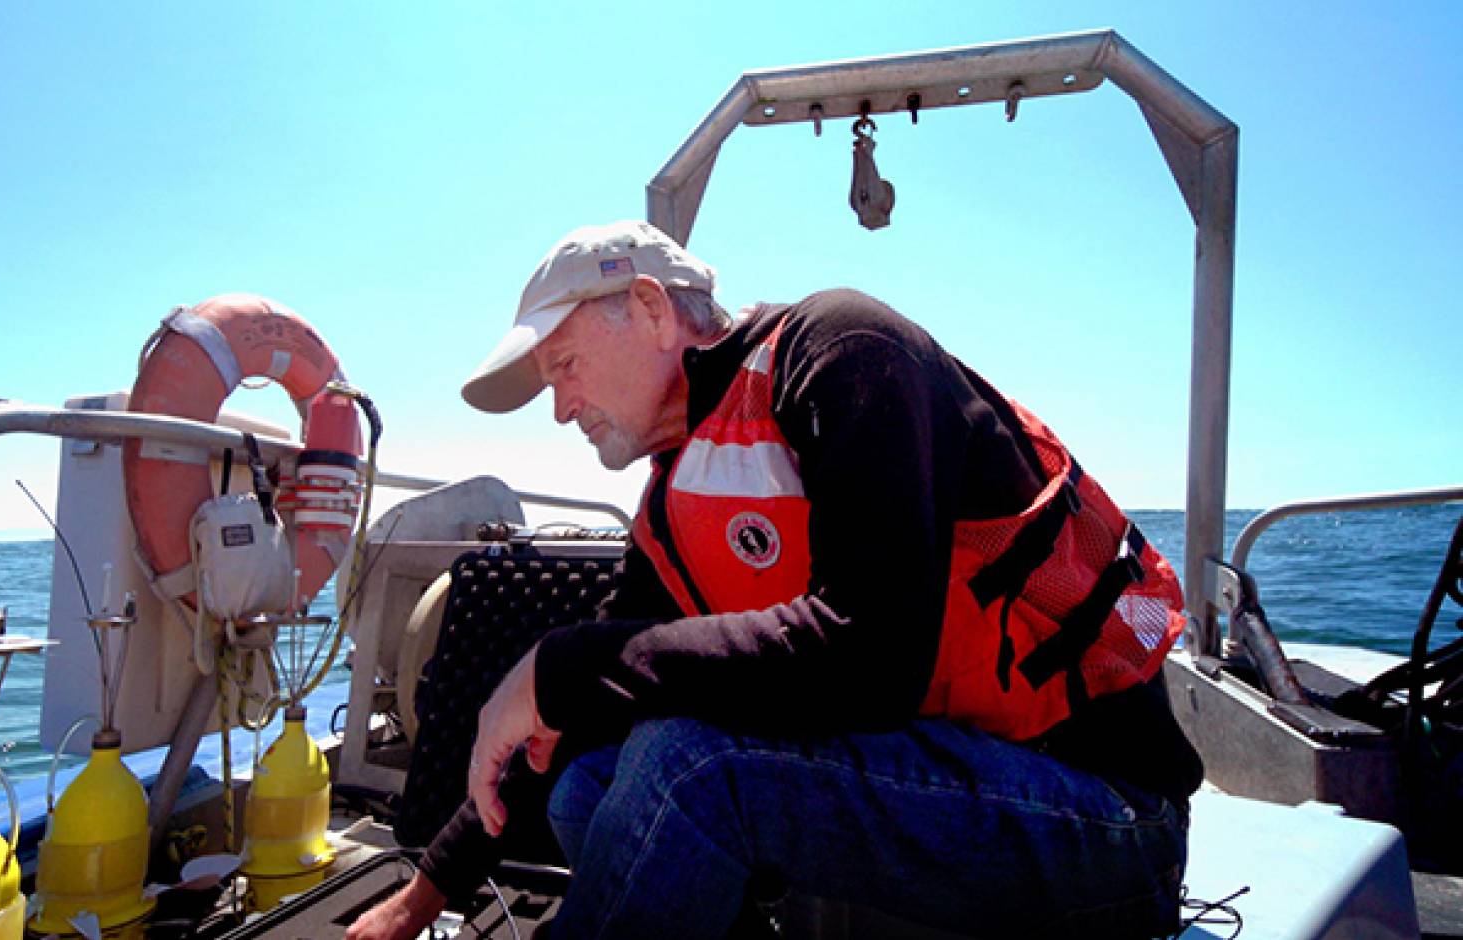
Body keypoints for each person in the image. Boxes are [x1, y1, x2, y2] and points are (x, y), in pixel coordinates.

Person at [347, 220, 1203, 939]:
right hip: (934, 794)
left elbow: (871, 657)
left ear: (649, 307)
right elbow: (580, 709)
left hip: (1106, 819)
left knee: (691, 766)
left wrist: (561, 665)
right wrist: (423, 896)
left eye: (564, 366)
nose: (561, 408)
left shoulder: (841, 349)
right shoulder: (676, 504)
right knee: (589, 781)